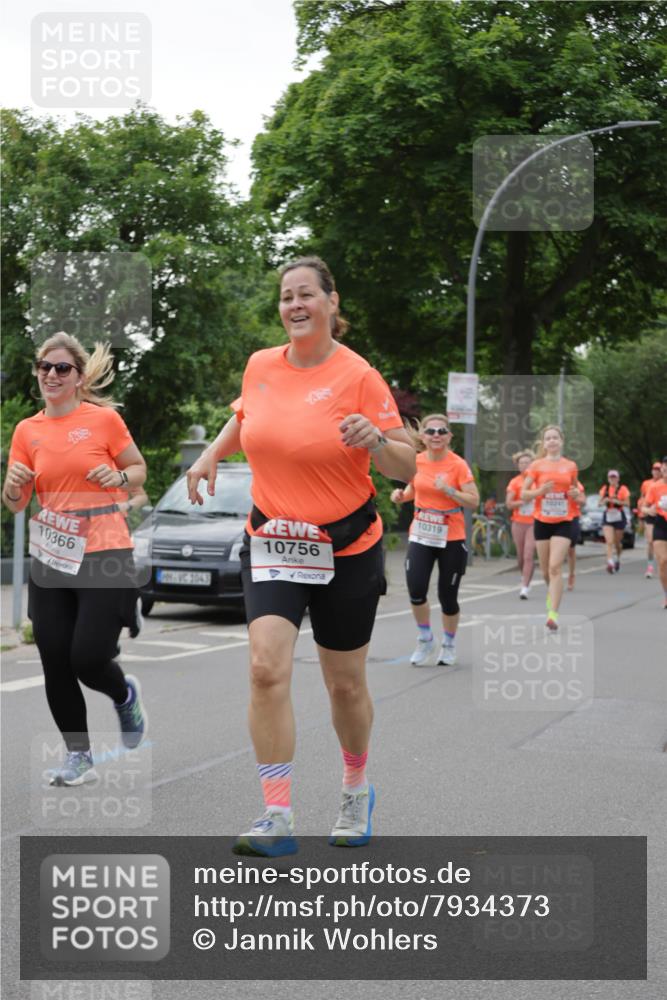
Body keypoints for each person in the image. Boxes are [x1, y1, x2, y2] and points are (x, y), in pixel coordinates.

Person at [186, 256, 415, 857]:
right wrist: (210, 454)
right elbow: (244, 415)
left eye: (307, 294)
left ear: (332, 303)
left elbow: (405, 462)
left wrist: (377, 442)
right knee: (265, 669)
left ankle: (355, 788)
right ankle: (276, 813)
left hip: (347, 547)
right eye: (287, 296)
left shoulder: (359, 374)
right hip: (272, 541)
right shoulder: (261, 365)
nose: (295, 305)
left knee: (344, 686)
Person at [2, 332, 148, 786]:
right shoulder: (27, 430)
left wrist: (119, 474)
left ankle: (124, 695)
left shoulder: (103, 421)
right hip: (51, 553)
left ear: (79, 378)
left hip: (104, 548)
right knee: (54, 658)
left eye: (61, 367)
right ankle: (78, 756)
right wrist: (12, 482)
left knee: (87, 657)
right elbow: (15, 503)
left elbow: (139, 470)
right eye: (44, 366)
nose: (51, 374)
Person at [390, 416, 478, 665]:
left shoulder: (458, 465)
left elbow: (473, 500)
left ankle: (449, 644)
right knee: (416, 589)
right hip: (422, 533)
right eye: (431, 431)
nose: (436, 435)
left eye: (442, 431)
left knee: (447, 597)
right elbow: (412, 490)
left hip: (452, 536)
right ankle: (426, 639)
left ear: (449, 436)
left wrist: (449, 490)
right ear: (424, 436)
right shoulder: (415, 461)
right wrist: (400, 496)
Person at [521, 425, 582, 631]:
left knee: (556, 566)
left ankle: (553, 614)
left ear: (561, 441)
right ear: (544, 443)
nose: (552, 441)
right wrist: (540, 490)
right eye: (548, 438)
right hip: (542, 521)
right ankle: (552, 594)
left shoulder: (570, 466)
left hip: (564, 520)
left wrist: (576, 495)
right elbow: (524, 494)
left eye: (555, 438)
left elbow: (579, 495)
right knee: (546, 570)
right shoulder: (537, 466)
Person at [505, 450, 536, 599]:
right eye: (522, 463)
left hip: (534, 522)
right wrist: (523, 502)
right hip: (518, 522)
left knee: (528, 554)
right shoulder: (515, 482)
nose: (525, 465)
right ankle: (525, 575)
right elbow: (509, 504)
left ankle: (525, 586)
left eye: (528, 463)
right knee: (521, 557)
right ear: (518, 466)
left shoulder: (538, 480)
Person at [642, 457, 667, 609]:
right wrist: (649, 510)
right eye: (664, 466)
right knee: (663, 562)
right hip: (661, 524)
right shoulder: (654, 487)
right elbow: (644, 507)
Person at [599, 470, 630, 573]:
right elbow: (599, 503)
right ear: (608, 479)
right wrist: (605, 501)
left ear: (618, 478)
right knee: (609, 541)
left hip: (619, 516)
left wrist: (618, 501)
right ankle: (610, 562)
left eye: (614, 477)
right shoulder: (605, 489)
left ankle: (618, 558)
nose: (612, 479)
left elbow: (627, 503)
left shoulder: (623, 489)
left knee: (617, 542)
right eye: (611, 477)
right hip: (608, 516)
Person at [639, 461, 662, 578]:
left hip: (663, 516)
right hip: (651, 516)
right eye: (654, 469)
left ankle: (661, 564)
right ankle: (650, 566)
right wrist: (643, 512)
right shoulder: (646, 484)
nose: (656, 471)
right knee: (650, 541)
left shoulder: (664, 484)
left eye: (658, 469)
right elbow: (642, 500)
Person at [566, 479, 585, 591]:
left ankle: (571, 575)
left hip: (572, 517)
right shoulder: (549, 480)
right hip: (554, 518)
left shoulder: (575, 483)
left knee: (570, 549)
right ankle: (554, 575)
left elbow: (583, 501)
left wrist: (574, 497)